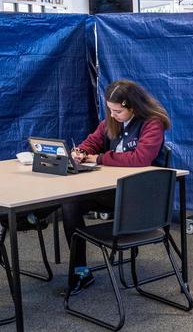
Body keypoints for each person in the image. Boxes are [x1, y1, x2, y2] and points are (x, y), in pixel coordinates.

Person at [62, 79, 171, 295]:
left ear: (133, 107)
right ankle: (81, 272)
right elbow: (91, 142)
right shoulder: (111, 121)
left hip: (140, 196)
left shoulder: (152, 123)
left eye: (118, 111)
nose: (113, 115)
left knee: (73, 202)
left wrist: (99, 158)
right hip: (115, 192)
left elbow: (140, 158)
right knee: (70, 204)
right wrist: (81, 153)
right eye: (110, 110)